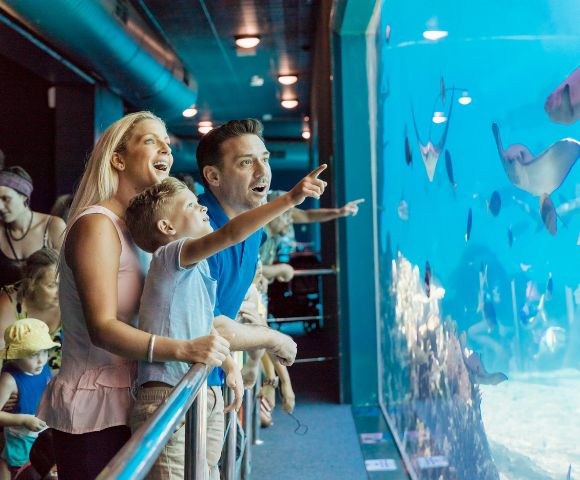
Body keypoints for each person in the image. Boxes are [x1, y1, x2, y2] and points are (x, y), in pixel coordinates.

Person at [36, 112, 231, 480]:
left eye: (167, 144)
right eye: (151, 141)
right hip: (95, 408)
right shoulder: (97, 224)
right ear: (118, 159)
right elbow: (102, 328)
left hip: (142, 397)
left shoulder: (145, 232)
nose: (166, 150)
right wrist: (185, 350)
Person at [125, 165, 325, 478]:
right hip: (168, 395)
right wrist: (289, 199)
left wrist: (229, 365)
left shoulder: (199, 269)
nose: (202, 206)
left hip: (202, 389)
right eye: (191, 205)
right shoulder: (170, 255)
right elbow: (231, 233)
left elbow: (205, 323)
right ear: (166, 226)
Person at [196, 120, 300, 401]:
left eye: (264, 159)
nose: (261, 170)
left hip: (218, 376)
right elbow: (208, 323)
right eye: (245, 163)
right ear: (213, 176)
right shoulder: (196, 227)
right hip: (182, 387)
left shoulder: (255, 231)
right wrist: (272, 338)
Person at [0, 318, 59, 477]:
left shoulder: (42, 367)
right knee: (21, 470)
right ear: (14, 356)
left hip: (44, 429)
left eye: (45, 351)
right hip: (21, 435)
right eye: (33, 355)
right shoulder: (9, 380)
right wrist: (23, 420)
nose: (41, 360)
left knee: (44, 465)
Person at [0, 167, 66, 288]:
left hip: (50, 304)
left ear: (24, 196)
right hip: (9, 305)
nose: (0, 206)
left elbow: (70, 276)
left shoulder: (53, 226)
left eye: (5, 199)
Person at [0, 249, 61, 372]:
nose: (60, 291)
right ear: (31, 284)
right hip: (18, 379)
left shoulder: (71, 298)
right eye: (51, 285)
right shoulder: (10, 302)